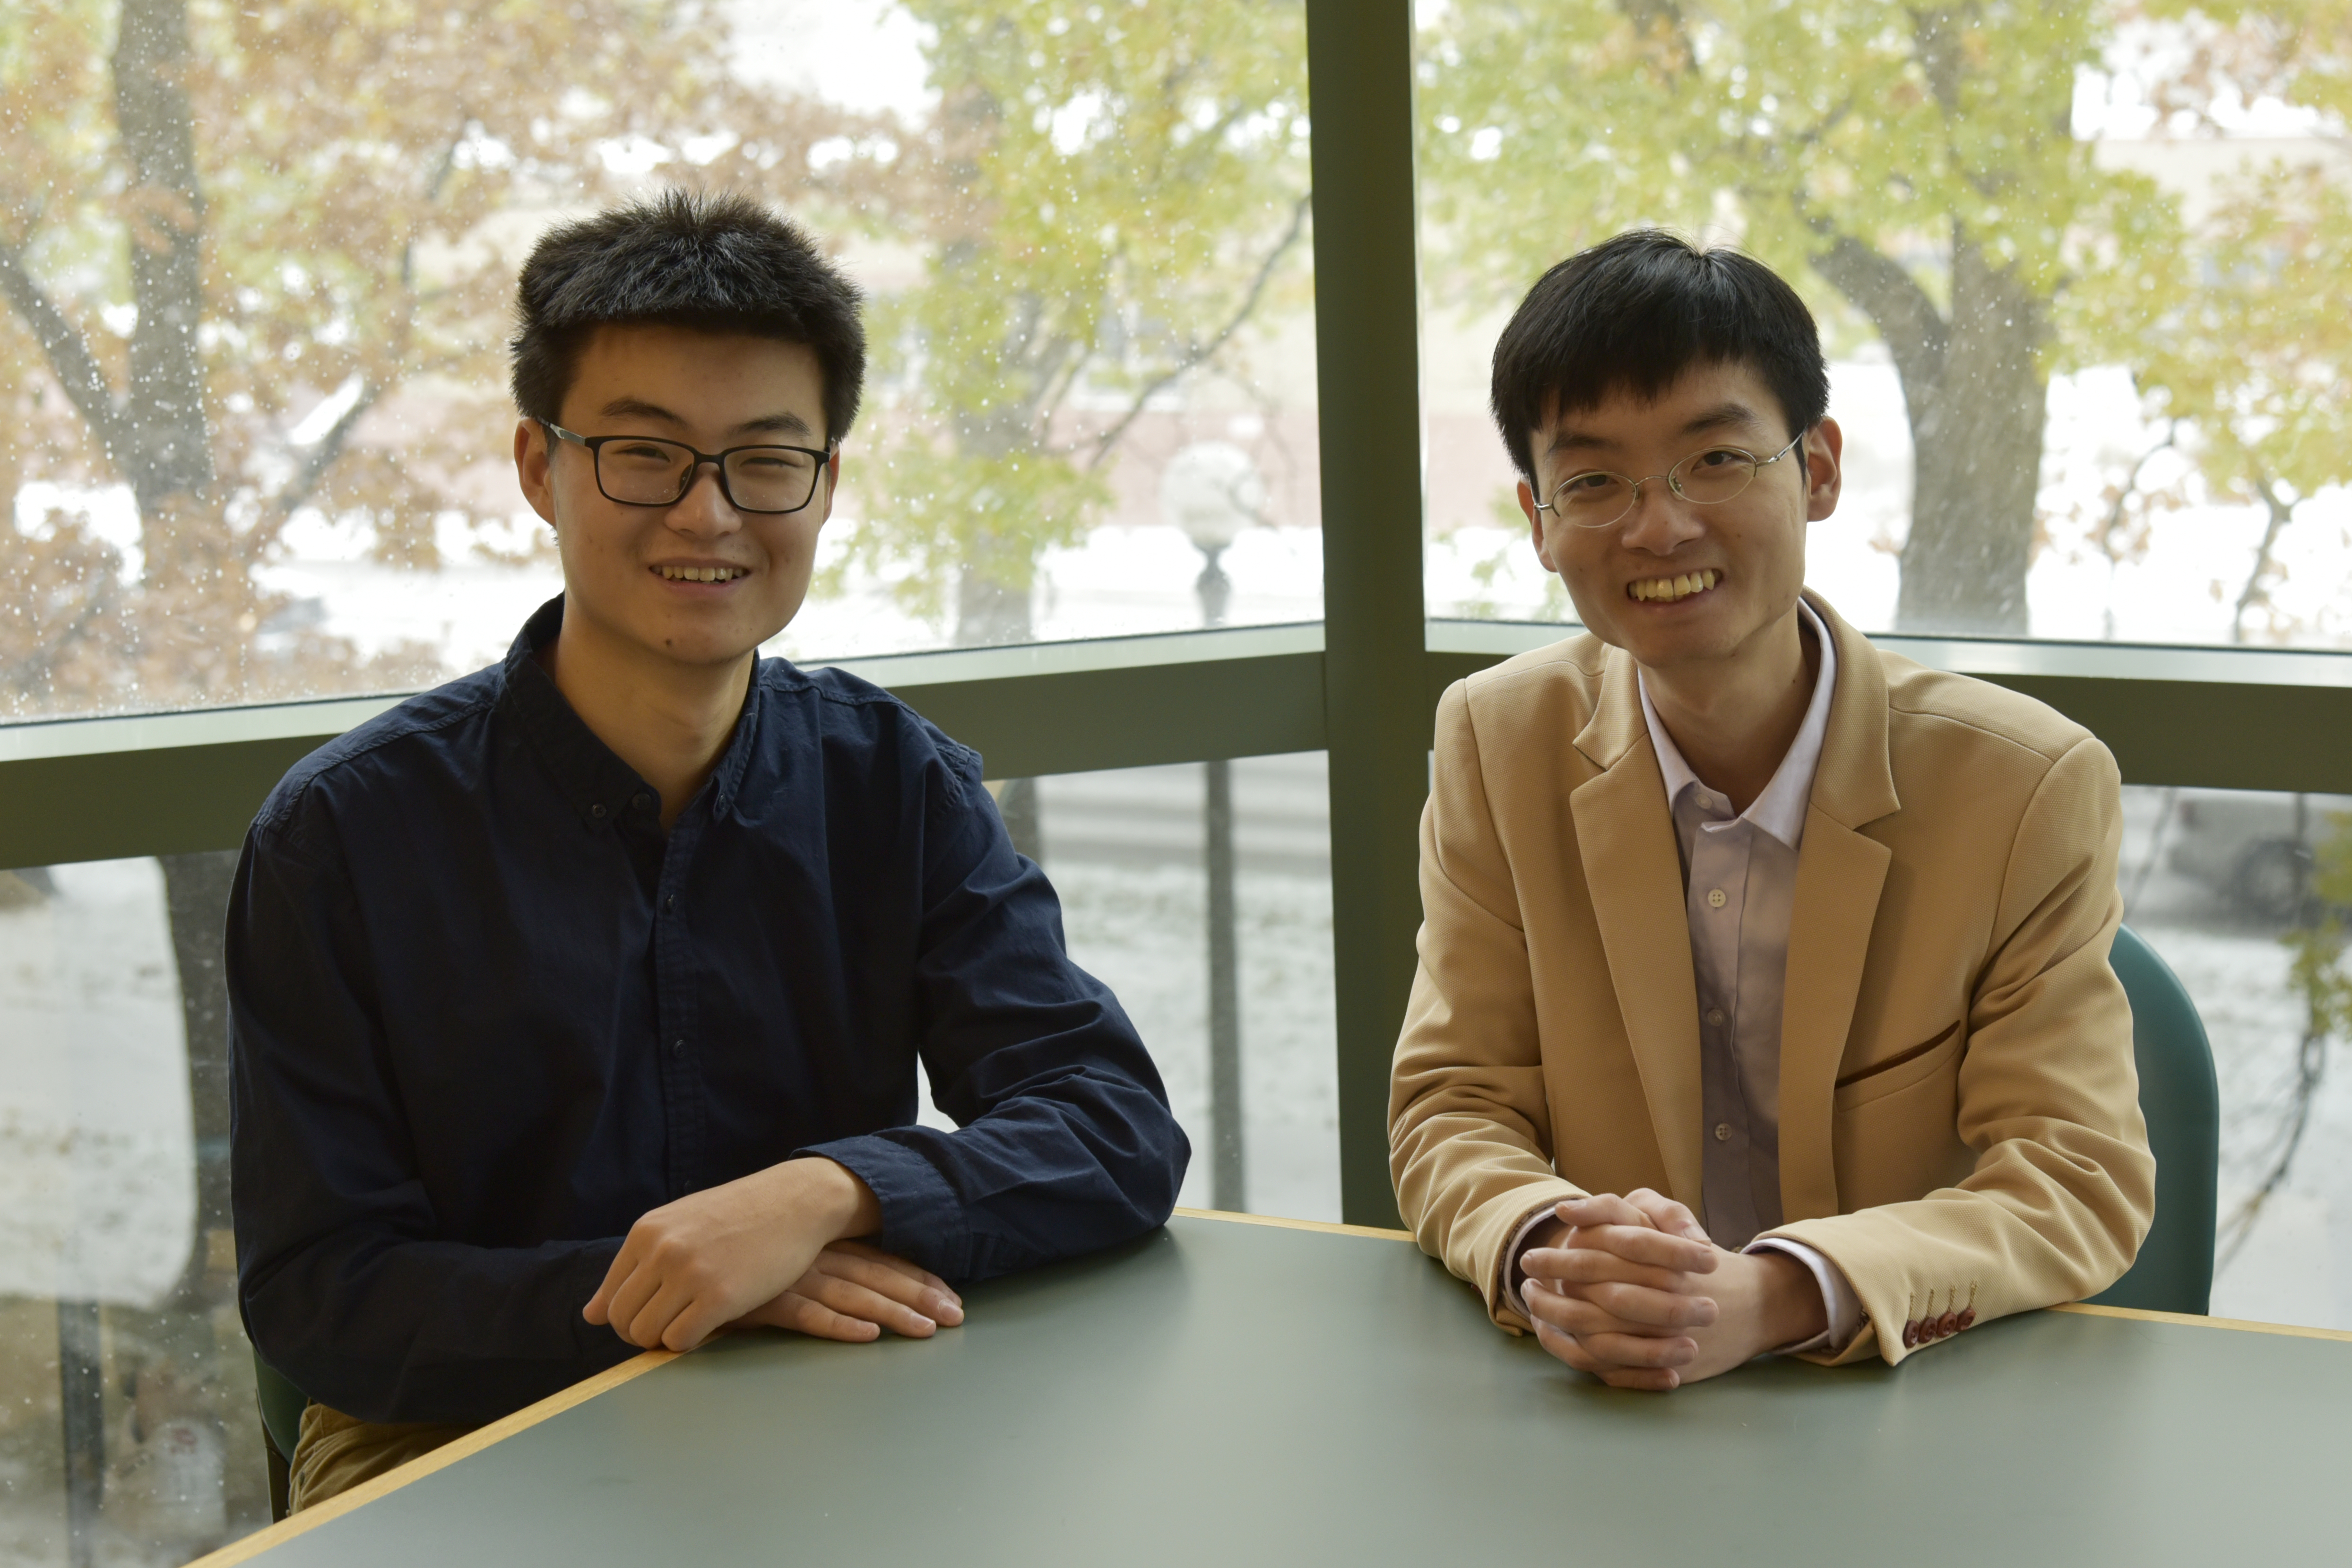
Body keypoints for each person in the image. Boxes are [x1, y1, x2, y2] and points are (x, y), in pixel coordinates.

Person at [228, 190, 1190, 1505]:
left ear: (827, 481)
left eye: (765, 459)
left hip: (836, 1394)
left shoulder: (896, 779)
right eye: (646, 454)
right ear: (538, 465)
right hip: (459, 1434)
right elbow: (324, 1293)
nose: (709, 513)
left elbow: (1114, 1124)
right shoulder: (344, 832)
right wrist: (689, 1292)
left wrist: (819, 1193)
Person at [1388, 230, 2153, 1389]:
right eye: (1594, 480)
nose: (1659, 526)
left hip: (1907, 1405)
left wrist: (1773, 1294)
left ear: (1821, 468)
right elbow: (1454, 1101)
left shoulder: (2021, 787)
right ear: (1540, 522)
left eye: (1716, 460)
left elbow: (2071, 1173)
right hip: (1607, 1400)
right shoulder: (1496, 742)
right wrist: (1558, 1251)